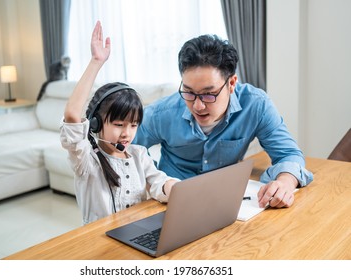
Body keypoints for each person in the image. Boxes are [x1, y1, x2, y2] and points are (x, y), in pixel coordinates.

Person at [133, 34, 313, 209]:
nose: (198, 106)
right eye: (188, 92)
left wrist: (285, 182)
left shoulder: (256, 105)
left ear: (232, 83)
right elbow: (127, 150)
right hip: (171, 204)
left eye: (208, 94)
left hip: (227, 203)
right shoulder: (161, 113)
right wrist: (158, 182)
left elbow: (289, 154)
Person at [60, 21, 178, 224]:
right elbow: (72, 115)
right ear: (96, 123)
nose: (127, 133)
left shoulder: (138, 154)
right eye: (119, 124)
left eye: (133, 125)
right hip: (100, 241)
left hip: (138, 232)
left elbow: (158, 182)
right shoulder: (86, 160)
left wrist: (175, 188)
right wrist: (96, 61)